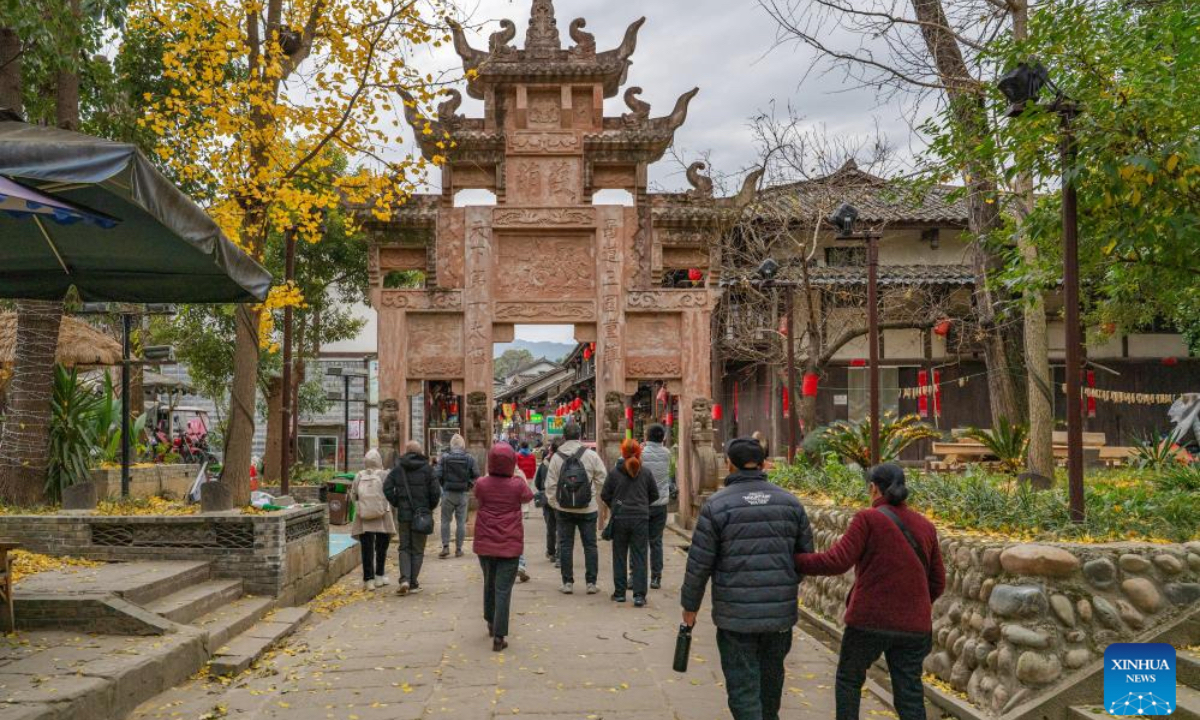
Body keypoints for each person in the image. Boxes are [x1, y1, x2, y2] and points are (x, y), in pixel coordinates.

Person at [794, 464, 945, 720]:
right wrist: (912, 604)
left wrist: (796, 560)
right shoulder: (925, 526)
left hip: (869, 621)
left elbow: (837, 561)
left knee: (849, 680)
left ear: (874, 488)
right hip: (914, 626)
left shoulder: (868, 519)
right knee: (909, 691)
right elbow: (938, 582)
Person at [680, 437, 814, 720]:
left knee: (742, 689)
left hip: (735, 615)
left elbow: (699, 563)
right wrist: (782, 584)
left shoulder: (717, 506)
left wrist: (690, 606)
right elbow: (804, 558)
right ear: (764, 463)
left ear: (729, 464)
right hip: (778, 614)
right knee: (771, 684)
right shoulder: (790, 503)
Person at [473, 442, 534, 652]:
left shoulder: (482, 483)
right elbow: (528, 496)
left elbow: (477, 496)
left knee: (489, 582)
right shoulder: (517, 484)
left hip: (486, 542)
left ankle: (490, 620)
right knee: (503, 588)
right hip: (509, 542)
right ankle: (499, 636)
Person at [544, 422, 607, 595]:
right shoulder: (590, 455)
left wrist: (555, 504)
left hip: (564, 509)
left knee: (565, 545)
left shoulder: (557, 457)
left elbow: (550, 485)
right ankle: (591, 583)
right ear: (580, 436)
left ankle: (567, 582)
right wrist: (595, 498)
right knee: (590, 545)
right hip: (588, 509)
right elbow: (603, 479)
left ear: (564, 436)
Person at [601, 439, 659, 607]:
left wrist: (615, 505)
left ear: (623, 453)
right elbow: (654, 495)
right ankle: (639, 596)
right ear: (639, 453)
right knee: (640, 556)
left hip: (620, 518)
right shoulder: (646, 473)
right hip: (641, 519)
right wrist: (642, 504)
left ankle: (619, 593)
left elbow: (605, 494)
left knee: (619, 556)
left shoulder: (614, 473)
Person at [384, 441, 440, 596]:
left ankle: (404, 580)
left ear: (406, 452)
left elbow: (387, 487)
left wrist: (397, 502)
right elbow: (436, 492)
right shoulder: (428, 470)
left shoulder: (398, 469)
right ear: (420, 451)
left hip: (404, 515)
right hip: (421, 515)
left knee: (404, 547)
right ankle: (413, 583)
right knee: (417, 549)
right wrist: (429, 508)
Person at [349, 450, 397, 589]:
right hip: (382, 516)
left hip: (364, 517)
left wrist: (359, 508)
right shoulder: (384, 475)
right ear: (379, 461)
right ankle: (380, 576)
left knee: (366, 548)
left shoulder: (359, 476)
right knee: (381, 546)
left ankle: (368, 580)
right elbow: (390, 492)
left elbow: (353, 495)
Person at [435, 434, 480, 559]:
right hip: (463, 493)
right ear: (463, 444)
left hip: (448, 492)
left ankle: (445, 546)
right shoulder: (469, 458)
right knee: (460, 522)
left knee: (445, 521)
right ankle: (459, 549)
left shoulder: (444, 458)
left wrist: (443, 485)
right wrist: (469, 485)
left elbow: (437, 474)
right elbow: (476, 474)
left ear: (451, 444)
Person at [641, 424, 672, 589]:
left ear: (647, 437)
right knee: (656, 541)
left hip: (642, 503)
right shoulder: (667, 454)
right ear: (663, 438)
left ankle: (636, 575)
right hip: (661, 504)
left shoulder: (641, 454)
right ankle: (656, 577)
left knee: (639, 542)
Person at [533, 441, 561, 565]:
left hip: (547, 498)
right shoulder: (563, 462)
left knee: (550, 527)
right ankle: (559, 554)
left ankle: (551, 552)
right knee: (561, 527)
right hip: (560, 498)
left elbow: (537, 483)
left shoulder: (544, 464)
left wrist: (543, 490)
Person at [516, 441, 537, 519]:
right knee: (526, 493)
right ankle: (526, 512)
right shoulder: (532, 456)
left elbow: (516, 466)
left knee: (518, 493)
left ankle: (518, 511)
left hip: (519, 477)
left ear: (521, 446)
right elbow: (534, 467)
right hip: (529, 477)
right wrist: (531, 475)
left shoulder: (517, 455)